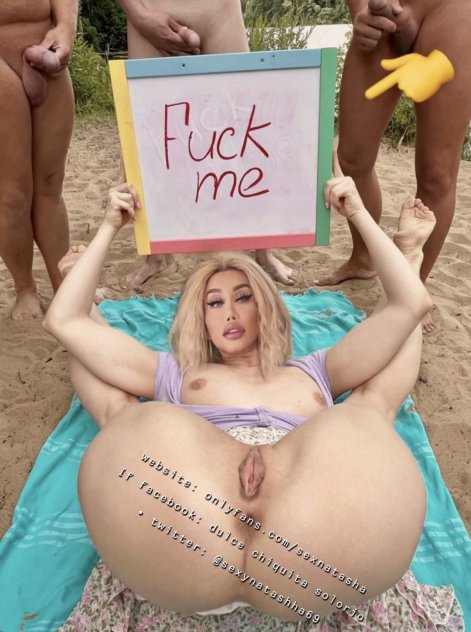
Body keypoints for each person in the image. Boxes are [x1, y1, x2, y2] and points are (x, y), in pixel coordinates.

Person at [43, 155, 438, 623]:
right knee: (123, 416)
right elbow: (67, 323)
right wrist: (105, 236)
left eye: (243, 296)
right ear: (199, 319)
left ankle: (409, 253)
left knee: (370, 409)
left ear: (266, 305)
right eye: (213, 302)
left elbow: (407, 307)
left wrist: (360, 215)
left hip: (315, 545)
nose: (229, 312)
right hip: (183, 535)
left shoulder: (317, 370)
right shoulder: (175, 374)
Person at [117, 0, 301, 288]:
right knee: (147, 138)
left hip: (219, 9)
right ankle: (154, 256)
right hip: (149, 9)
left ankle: (263, 251)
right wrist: (138, 14)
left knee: (245, 128)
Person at [316, 0, 471, 334]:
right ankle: (363, 259)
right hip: (382, 8)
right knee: (351, 159)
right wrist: (359, 10)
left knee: (437, 175)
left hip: (453, 11)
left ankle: (412, 287)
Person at [0, 0, 77, 319]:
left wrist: (66, 29)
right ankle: (25, 289)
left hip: (45, 48)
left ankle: (65, 285)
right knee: (12, 193)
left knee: (50, 184)